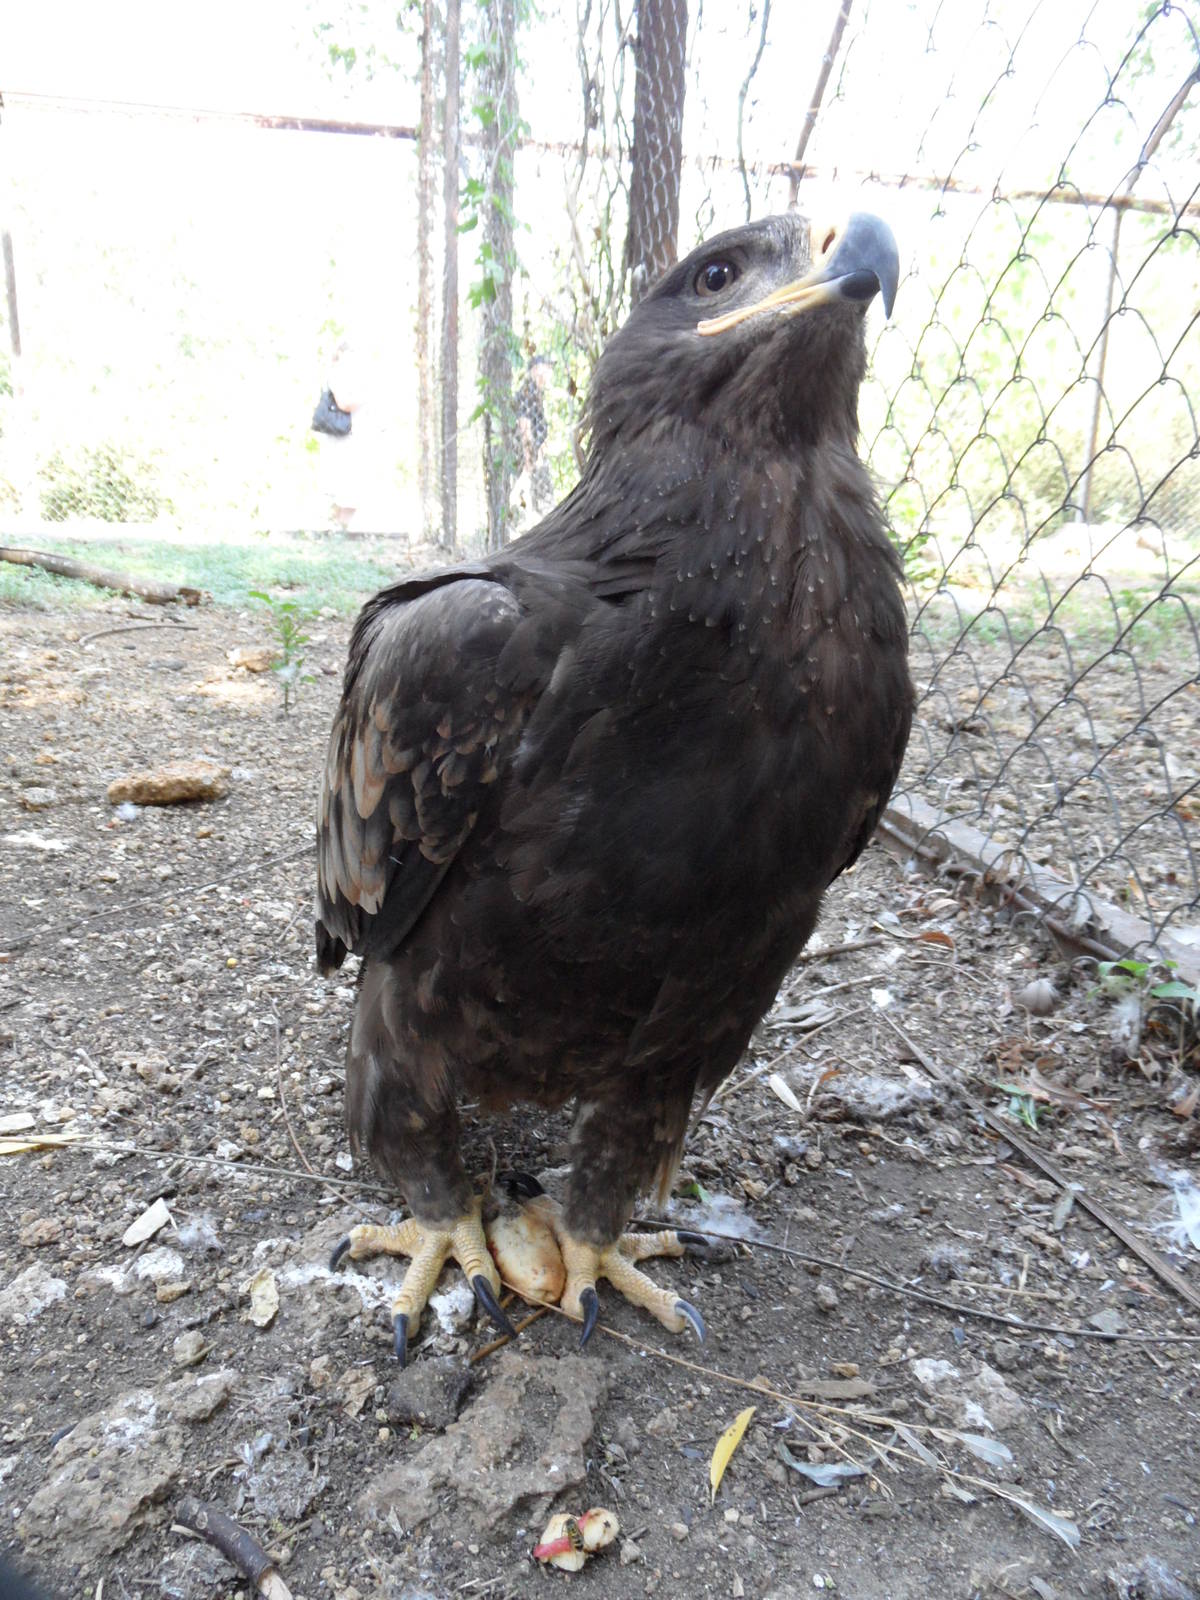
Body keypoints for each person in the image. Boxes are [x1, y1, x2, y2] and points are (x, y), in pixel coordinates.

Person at [316, 338, 388, 533]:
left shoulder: (352, 376)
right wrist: (366, 395)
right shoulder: (336, 374)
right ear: (341, 354)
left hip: (351, 438)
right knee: (345, 487)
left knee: (352, 487)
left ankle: (341, 529)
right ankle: (339, 529)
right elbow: (344, 403)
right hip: (341, 438)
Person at [513, 353, 554, 517]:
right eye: (547, 367)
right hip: (529, 466)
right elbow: (525, 430)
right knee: (540, 510)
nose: (550, 372)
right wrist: (529, 466)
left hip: (536, 463)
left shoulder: (536, 394)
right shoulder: (526, 394)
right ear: (535, 370)